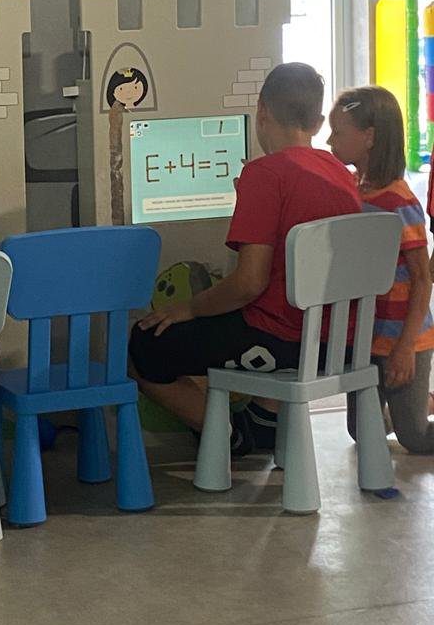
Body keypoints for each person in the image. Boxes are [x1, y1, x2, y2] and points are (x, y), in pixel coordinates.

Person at [128, 62, 361, 454]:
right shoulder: (341, 174)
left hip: (282, 342)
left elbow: (249, 283)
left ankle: (226, 435)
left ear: (262, 111)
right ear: (318, 122)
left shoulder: (265, 173)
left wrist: (190, 308)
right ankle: (263, 423)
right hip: (341, 343)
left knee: (143, 344)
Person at [328, 86, 434, 453]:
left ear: (369, 137)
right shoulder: (353, 191)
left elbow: (422, 278)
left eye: (338, 132)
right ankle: (417, 404)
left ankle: (417, 406)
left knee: (414, 437)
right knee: (362, 430)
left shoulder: (400, 201)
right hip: (367, 338)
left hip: (404, 337)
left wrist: (405, 347)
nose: (330, 140)